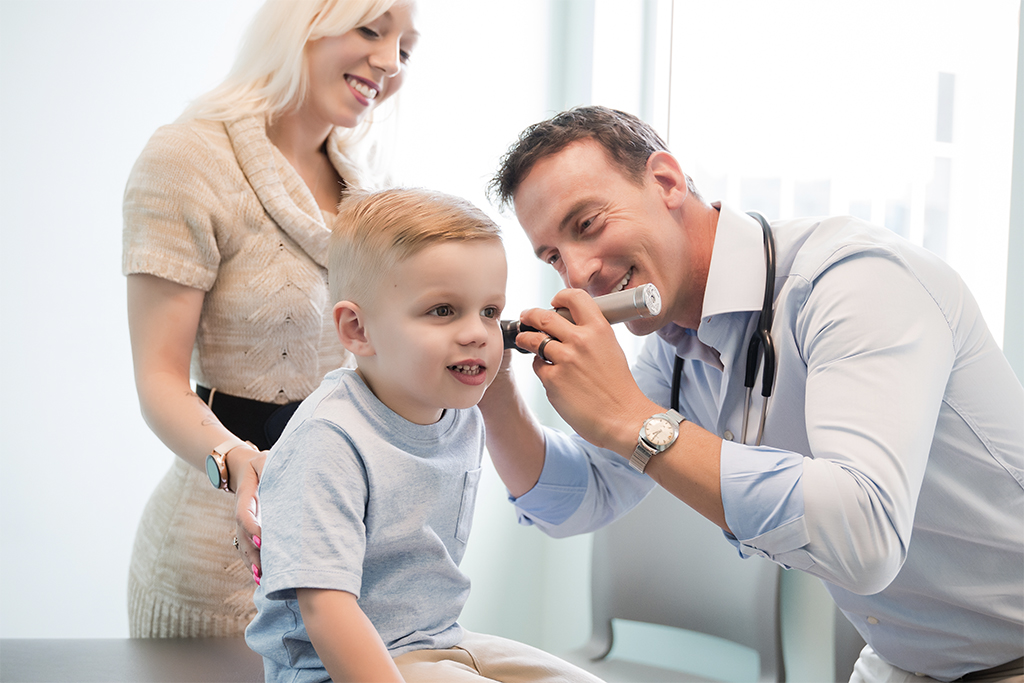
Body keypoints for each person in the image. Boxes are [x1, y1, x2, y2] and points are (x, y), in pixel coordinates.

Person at [478, 106, 1024, 683]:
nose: (580, 273)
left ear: (665, 181)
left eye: (587, 224)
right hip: (905, 663)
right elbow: (583, 497)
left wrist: (632, 420)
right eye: (554, 256)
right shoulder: (677, 341)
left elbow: (865, 536)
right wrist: (493, 391)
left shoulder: (856, 284)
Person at [122, 0, 418, 637]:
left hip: (338, 551)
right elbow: (159, 383)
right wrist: (235, 461)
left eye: (405, 48)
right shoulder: (188, 160)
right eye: (372, 29)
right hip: (211, 557)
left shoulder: (372, 190)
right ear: (302, 23)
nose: (390, 61)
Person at [244, 187, 605, 683]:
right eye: (443, 311)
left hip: (437, 640)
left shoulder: (460, 416)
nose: (478, 333)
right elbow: (328, 612)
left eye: (488, 310)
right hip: (332, 668)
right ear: (357, 330)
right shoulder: (328, 439)